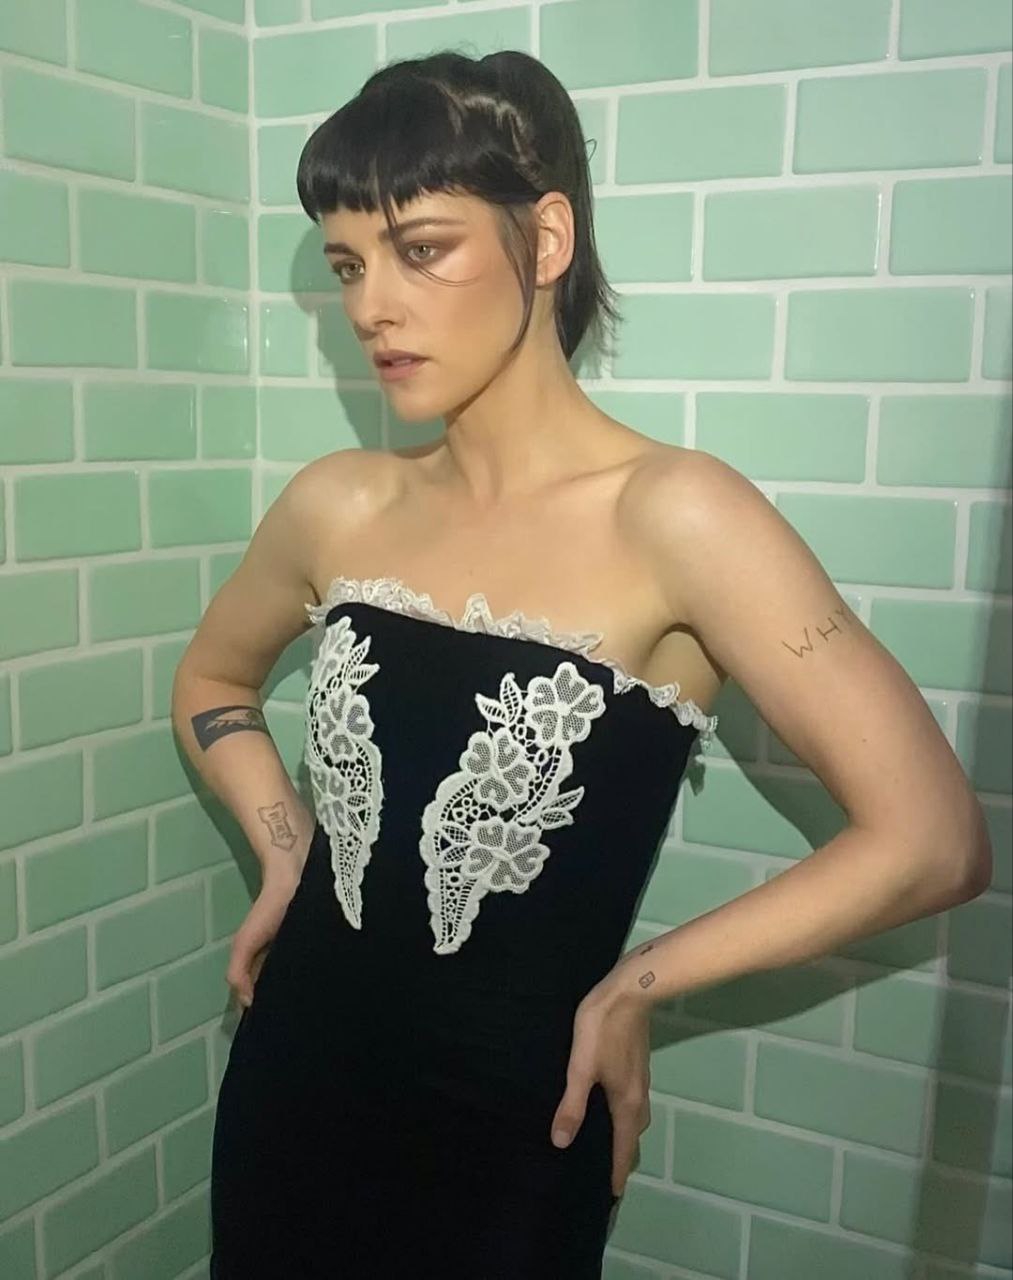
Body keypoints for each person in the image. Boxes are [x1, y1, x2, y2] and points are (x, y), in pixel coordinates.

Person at [170, 48, 992, 1280]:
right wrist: (285, 843)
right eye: (346, 265)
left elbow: (930, 837)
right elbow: (211, 681)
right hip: (291, 1080)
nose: (370, 306)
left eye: (420, 249)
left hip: (513, 1127)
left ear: (544, 237)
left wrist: (636, 984)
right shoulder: (336, 504)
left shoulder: (678, 516)